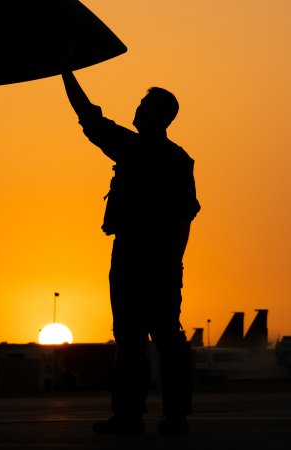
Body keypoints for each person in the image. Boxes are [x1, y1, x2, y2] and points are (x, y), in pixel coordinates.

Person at [61, 69, 200, 435]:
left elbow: (185, 216)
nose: (138, 110)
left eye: (146, 107)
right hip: (131, 258)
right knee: (131, 339)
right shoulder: (137, 149)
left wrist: (170, 265)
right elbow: (90, 117)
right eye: (139, 104)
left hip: (155, 260)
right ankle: (131, 417)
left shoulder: (166, 158)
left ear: (163, 116)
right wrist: (66, 72)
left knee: (165, 339)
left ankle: (169, 416)